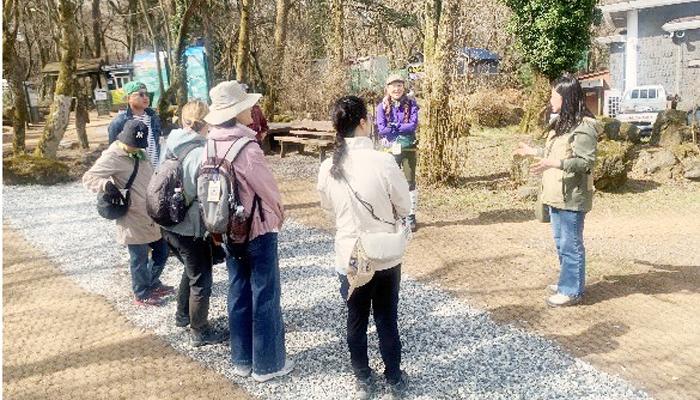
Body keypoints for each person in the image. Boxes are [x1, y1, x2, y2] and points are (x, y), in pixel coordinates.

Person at [318, 96, 411, 400]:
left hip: (350, 255)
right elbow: (404, 205)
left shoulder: (328, 166)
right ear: (362, 123)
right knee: (386, 318)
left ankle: (362, 378)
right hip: (383, 254)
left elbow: (328, 207)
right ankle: (394, 378)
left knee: (356, 319)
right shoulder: (383, 161)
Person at [203, 81, 293, 382]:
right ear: (236, 111)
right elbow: (267, 190)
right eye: (247, 106)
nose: (251, 109)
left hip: (227, 227)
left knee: (238, 290)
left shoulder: (209, 143)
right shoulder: (247, 147)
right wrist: (279, 215)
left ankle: (241, 359)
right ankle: (268, 364)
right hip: (256, 228)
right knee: (265, 294)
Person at [514, 73, 598, 307]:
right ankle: (566, 281)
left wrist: (555, 163)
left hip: (571, 196)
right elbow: (555, 153)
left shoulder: (584, 126)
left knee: (571, 244)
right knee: (561, 242)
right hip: (555, 194)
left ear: (566, 98)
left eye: (554, 96)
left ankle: (572, 290)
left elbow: (586, 162)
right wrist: (533, 152)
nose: (550, 100)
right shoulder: (561, 123)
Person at [160, 100, 228, 347]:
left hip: (167, 221)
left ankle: (182, 315)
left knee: (190, 270)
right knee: (201, 279)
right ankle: (199, 331)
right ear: (207, 123)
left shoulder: (170, 143)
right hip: (190, 227)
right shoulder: (201, 153)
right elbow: (208, 193)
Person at [84, 120, 173, 306]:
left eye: (138, 145)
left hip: (150, 212)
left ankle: (152, 282)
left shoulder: (141, 153)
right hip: (132, 215)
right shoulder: (113, 156)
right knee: (139, 258)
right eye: (132, 144)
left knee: (162, 251)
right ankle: (142, 293)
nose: (135, 148)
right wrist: (106, 185)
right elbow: (89, 177)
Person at [375, 75, 420, 231]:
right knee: (389, 182)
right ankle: (390, 214)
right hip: (390, 149)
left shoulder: (412, 104)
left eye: (399, 85)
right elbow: (382, 128)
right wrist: (400, 127)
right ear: (387, 88)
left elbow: (412, 125)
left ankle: (410, 215)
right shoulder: (381, 107)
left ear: (403, 87)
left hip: (408, 148)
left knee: (409, 181)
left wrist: (395, 127)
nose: (396, 89)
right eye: (393, 86)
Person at [108, 81, 163, 168]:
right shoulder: (119, 122)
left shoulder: (154, 117)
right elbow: (113, 153)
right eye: (141, 94)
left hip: (156, 169)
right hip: (135, 170)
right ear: (128, 98)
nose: (145, 97)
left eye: (147, 94)